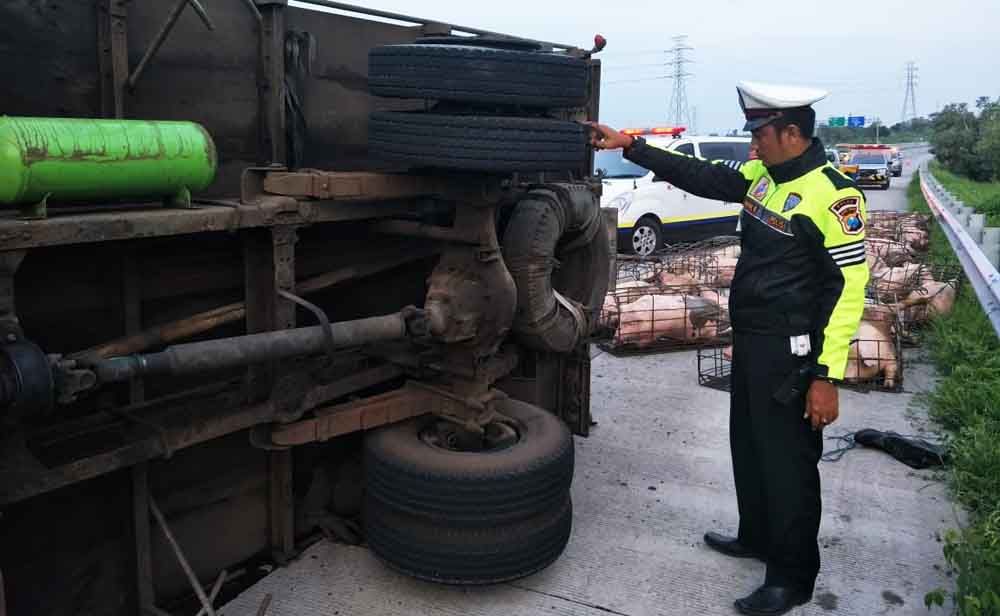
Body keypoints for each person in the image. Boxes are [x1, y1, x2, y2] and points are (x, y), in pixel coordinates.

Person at [588, 81, 869, 616]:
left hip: (794, 353)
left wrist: (826, 375)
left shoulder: (833, 196)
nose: (753, 145)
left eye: (761, 134)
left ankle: (791, 579)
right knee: (751, 445)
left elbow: (848, 290)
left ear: (792, 133)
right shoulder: (764, 178)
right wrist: (631, 145)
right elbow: (703, 175)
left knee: (788, 465)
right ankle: (756, 536)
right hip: (754, 342)